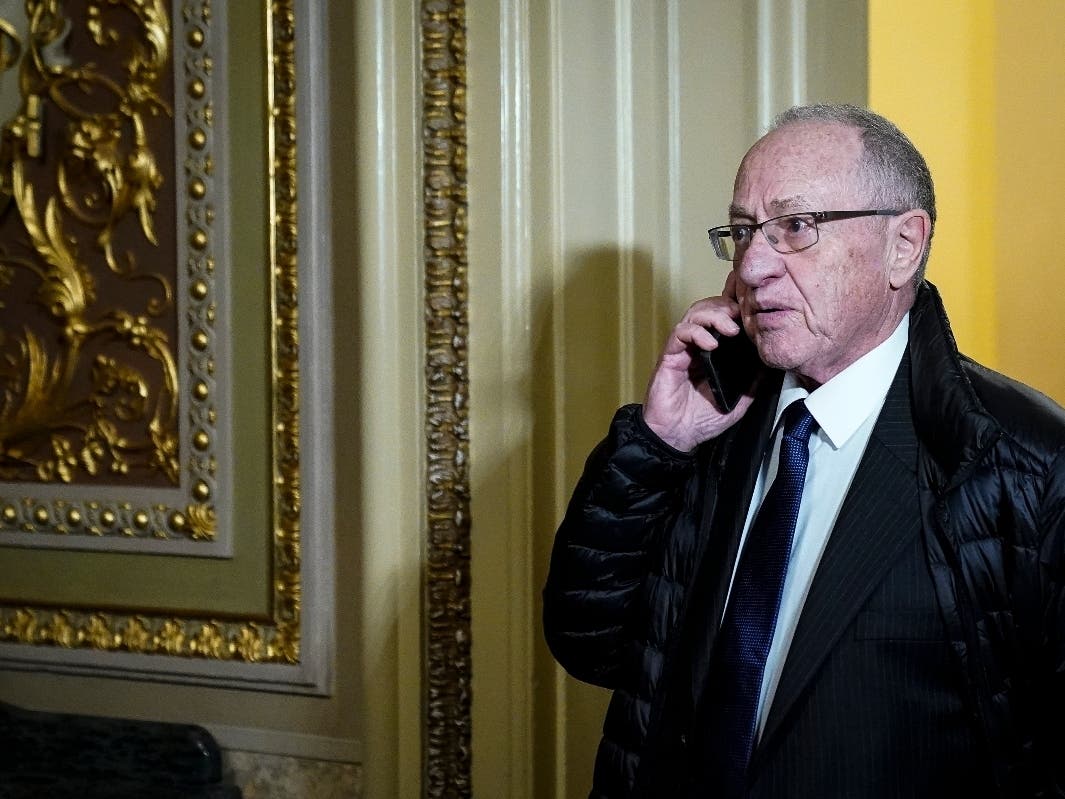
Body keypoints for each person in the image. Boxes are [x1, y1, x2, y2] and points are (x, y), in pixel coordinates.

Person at [542, 103, 1065, 799]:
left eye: (794, 227)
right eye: (741, 230)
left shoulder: (1024, 461)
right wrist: (657, 445)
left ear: (902, 246)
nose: (753, 265)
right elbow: (590, 642)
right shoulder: (711, 419)